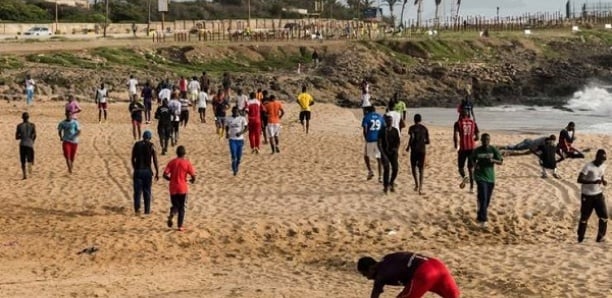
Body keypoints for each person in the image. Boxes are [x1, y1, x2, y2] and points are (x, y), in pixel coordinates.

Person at [357, 252, 460, 298]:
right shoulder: (387, 258)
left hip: (425, 272)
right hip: (437, 265)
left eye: (365, 274)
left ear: (371, 268)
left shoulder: (380, 274)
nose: (366, 278)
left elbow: (375, 295)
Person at [470, 133, 503, 228]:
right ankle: (483, 220)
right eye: (484, 140)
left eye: (487, 140)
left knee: (486, 199)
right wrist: (475, 165)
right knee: (483, 197)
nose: (485, 141)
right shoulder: (477, 150)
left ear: (490, 140)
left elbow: (501, 161)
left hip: (490, 177)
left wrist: (493, 161)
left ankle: (480, 213)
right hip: (479, 176)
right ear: (481, 140)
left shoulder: (493, 149)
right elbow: (472, 159)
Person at [577, 149, 608, 243]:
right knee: (584, 218)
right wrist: (592, 182)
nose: (602, 161)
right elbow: (579, 179)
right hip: (587, 195)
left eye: (604, 160)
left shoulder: (603, 165)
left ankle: (600, 237)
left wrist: (603, 181)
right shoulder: (588, 166)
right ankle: (580, 238)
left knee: (604, 216)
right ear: (596, 157)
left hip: (598, 194)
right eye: (601, 159)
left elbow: (601, 175)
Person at [163, 145, 196, 232]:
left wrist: (171, 179)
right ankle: (180, 226)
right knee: (182, 207)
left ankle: (172, 213)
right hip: (182, 188)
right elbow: (193, 176)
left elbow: (164, 175)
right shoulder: (187, 163)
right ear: (184, 154)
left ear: (177, 153)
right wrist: (192, 180)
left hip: (173, 187)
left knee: (175, 205)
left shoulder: (171, 162)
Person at [131, 130, 159, 215]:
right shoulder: (151, 146)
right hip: (147, 171)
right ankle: (147, 210)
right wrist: (157, 172)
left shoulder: (137, 144)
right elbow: (155, 160)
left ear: (143, 137)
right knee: (147, 191)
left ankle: (137, 209)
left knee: (137, 192)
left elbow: (133, 158)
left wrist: (135, 167)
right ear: (149, 138)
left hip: (138, 170)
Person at [453, 108, 479, 192]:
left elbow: (455, 136)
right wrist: (472, 140)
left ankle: (465, 177)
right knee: (470, 168)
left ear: (460, 115)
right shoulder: (473, 123)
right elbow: (478, 137)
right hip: (472, 148)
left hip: (463, 148)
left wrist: (456, 145)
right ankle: (471, 188)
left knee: (460, 168)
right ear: (468, 115)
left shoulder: (458, 123)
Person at [406, 114, 429, 195]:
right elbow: (428, 141)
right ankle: (420, 188)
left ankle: (416, 184)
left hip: (414, 150)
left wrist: (408, 146)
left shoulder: (411, 128)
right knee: (421, 169)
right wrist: (422, 141)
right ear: (420, 120)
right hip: (422, 150)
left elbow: (411, 137)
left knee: (413, 167)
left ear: (414, 120)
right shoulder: (424, 128)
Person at [378, 115, 400, 194]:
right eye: (388, 120)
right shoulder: (382, 131)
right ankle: (385, 186)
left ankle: (391, 182)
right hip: (385, 153)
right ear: (385, 121)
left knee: (395, 169)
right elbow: (379, 143)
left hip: (393, 152)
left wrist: (396, 149)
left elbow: (398, 141)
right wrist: (383, 154)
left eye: (391, 120)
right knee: (386, 169)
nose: (389, 122)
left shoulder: (395, 130)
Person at [362, 106, 384, 182]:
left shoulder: (366, 117)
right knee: (379, 158)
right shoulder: (380, 117)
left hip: (370, 139)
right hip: (378, 139)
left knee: (366, 156)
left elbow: (365, 129)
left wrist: (366, 138)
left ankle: (370, 171)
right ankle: (380, 176)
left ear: (368, 111)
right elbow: (383, 127)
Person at [226, 106, 248, 175]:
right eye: (234, 111)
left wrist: (241, 133)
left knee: (239, 157)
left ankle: (237, 165)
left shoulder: (242, 118)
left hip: (240, 140)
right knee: (233, 155)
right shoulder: (228, 118)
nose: (235, 113)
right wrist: (227, 133)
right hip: (232, 140)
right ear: (232, 111)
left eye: (237, 111)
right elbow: (226, 127)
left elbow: (246, 128)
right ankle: (234, 169)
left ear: (238, 112)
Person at [16, 112, 36, 179]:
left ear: (22, 118)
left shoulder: (19, 126)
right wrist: (32, 141)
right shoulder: (32, 125)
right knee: (30, 160)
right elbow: (35, 135)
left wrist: (22, 136)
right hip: (30, 144)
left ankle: (24, 175)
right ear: (28, 117)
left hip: (22, 144)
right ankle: (30, 172)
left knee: (22, 160)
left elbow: (16, 137)